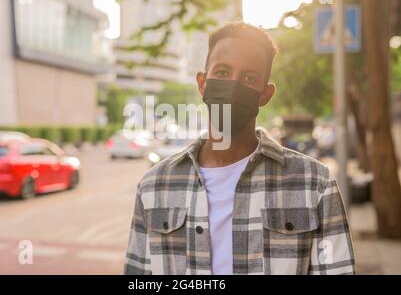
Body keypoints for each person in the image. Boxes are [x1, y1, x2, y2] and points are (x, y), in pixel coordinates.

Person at [124, 22, 355, 275]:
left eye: (249, 78)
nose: (233, 86)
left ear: (265, 95)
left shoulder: (315, 184)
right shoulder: (154, 185)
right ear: (202, 83)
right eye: (222, 73)